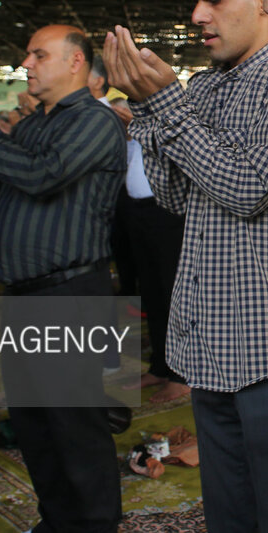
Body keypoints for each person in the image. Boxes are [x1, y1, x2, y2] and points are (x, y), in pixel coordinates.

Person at [105, 0, 268, 532]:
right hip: (208, 341)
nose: (198, 16)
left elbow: (246, 187)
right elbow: (177, 197)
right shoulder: (203, 88)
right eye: (195, 2)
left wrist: (164, 108)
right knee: (229, 512)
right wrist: (152, 114)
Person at [0, 25, 126, 532]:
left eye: (38, 54)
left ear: (75, 61)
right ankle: (57, 521)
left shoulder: (95, 120)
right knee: (34, 423)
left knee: (75, 427)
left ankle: (94, 526)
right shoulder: (33, 124)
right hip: (25, 295)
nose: (27, 63)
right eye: (27, 53)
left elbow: (41, 176)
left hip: (68, 294)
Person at [109, 96, 188, 404]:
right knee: (152, 294)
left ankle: (181, 376)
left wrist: (141, 126)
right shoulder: (134, 133)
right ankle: (160, 365)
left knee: (171, 295)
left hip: (166, 215)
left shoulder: (169, 120)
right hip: (138, 212)